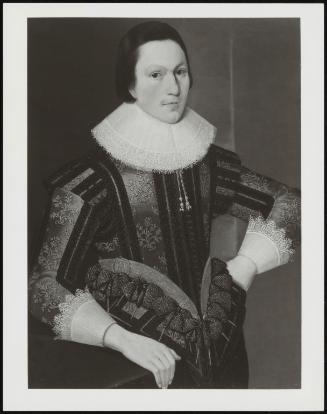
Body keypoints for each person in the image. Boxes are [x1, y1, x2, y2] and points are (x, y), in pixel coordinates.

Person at [28, 21, 301, 389]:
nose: (173, 88)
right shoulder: (93, 180)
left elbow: (291, 203)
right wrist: (121, 338)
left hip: (223, 360)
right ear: (130, 85)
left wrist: (245, 265)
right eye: (155, 74)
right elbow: (43, 287)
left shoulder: (209, 164)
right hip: (133, 367)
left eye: (180, 72)